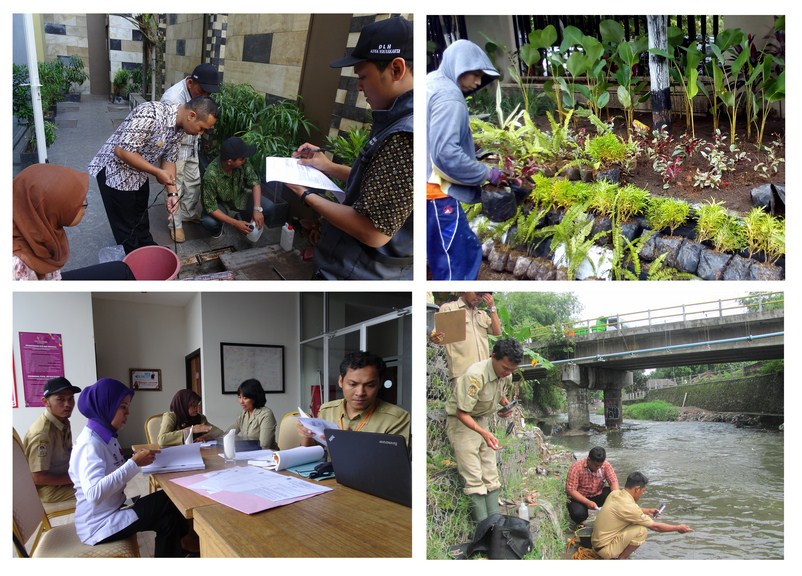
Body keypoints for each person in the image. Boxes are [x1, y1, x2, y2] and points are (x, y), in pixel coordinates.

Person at [287, 16, 414, 280]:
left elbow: (374, 231)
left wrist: (305, 195)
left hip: (360, 272)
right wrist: (328, 166)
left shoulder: (406, 136)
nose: (358, 86)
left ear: (397, 69)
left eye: (363, 76)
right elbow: (380, 182)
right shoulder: (395, 118)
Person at [68, 378, 190, 557]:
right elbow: (94, 494)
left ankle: (183, 549)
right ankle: (188, 543)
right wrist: (133, 464)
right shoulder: (90, 445)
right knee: (167, 500)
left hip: (112, 510)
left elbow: (113, 468)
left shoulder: (106, 437)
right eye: (122, 407)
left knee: (168, 519)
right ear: (106, 406)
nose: (128, 413)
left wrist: (135, 460)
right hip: (98, 525)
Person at [88, 96, 219, 254]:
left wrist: (173, 193)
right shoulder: (151, 113)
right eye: (202, 128)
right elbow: (122, 151)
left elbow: (169, 160)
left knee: (141, 218)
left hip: (139, 171)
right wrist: (157, 172)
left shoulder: (181, 128)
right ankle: (135, 261)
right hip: (115, 173)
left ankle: (148, 250)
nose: (200, 134)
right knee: (126, 227)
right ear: (191, 115)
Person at [427, 39, 502, 280]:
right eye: (476, 74)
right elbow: (446, 154)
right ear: (459, 66)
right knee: (457, 258)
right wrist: (486, 173)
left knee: (449, 250)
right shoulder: (450, 97)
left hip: (423, 190)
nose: (479, 82)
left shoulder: (431, 83)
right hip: (437, 193)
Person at [445, 338, 522, 522]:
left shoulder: (506, 374)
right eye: (505, 368)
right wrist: (483, 433)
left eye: (512, 370)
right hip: (462, 422)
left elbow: (500, 390)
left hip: (482, 420)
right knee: (473, 475)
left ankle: (495, 522)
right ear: (493, 356)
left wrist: (505, 404)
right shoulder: (475, 376)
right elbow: (461, 412)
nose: (508, 373)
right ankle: (482, 526)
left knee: (490, 471)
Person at [13, 164, 135, 280]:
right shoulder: (16, 267)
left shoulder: (37, 226)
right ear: (49, 208)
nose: (84, 206)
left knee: (120, 269)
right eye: (76, 203)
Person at [160, 63, 220, 242]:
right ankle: (175, 225)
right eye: (202, 91)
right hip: (174, 148)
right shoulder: (172, 98)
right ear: (190, 83)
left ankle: (187, 213)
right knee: (174, 186)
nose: (206, 97)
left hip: (192, 144)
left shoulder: (199, 94)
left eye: (209, 94)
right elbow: (167, 137)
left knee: (194, 182)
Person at [298, 351, 411, 446]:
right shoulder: (327, 410)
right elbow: (314, 453)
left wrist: (351, 446)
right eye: (352, 384)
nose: (360, 392)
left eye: (370, 385)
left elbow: (394, 465)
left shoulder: (397, 419)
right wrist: (307, 436)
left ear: (380, 383)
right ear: (341, 381)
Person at [592, 472, 693, 559]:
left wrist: (646, 510)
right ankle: (621, 559)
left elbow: (623, 510)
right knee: (642, 530)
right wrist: (677, 528)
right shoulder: (630, 507)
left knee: (633, 523)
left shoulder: (615, 493)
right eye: (643, 491)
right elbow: (655, 527)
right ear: (637, 489)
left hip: (596, 543)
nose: (642, 494)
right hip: (605, 550)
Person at [200, 136, 274, 239]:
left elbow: (255, 182)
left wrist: (257, 209)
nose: (244, 160)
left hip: (240, 196)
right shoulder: (210, 176)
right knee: (209, 222)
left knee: (268, 207)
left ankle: (244, 219)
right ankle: (219, 230)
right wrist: (234, 223)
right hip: (221, 203)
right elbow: (211, 208)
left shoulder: (242, 162)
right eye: (242, 159)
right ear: (230, 162)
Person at [23, 377, 81, 503]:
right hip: (48, 490)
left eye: (71, 398)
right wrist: (76, 478)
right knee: (98, 490)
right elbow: (38, 478)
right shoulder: (42, 434)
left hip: (62, 477)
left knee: (103, 482)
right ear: (45, 402)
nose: (68, 404)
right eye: (60, 399)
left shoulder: (63, 421)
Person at [430, 292, 501, 386]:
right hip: (463, 374)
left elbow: (497, 332)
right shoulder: (449, 308)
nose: (479, 298)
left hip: (484, 374)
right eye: (477, 293)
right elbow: (437, 335)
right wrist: (434, 338)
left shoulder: (482, 314)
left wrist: (492, 308)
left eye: (482, 296)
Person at [565, 446, 620, 525]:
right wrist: (587, 502)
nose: (598, 468)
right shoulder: (576, 468)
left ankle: (610, 518)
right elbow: (571, 490)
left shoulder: (606, 465)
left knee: (616, 495)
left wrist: (617, 498)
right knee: (578, 514)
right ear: (589, 460)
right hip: (580, 497)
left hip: (597, 494)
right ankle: (580, 523)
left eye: (600, 466)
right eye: (596, 465)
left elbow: (613, 482)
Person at [158, 389, 224, 447]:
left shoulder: (200, 418)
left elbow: (220, 432)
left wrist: (208, 436)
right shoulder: (171, 416)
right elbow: (162, 440)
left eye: (197, 405)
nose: (197, 409)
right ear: (183, 405)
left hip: (197, 453)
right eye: (193, 406)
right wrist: (191, 430)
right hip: (175, 455)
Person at [232, 379, 278, 450]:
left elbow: (264, 445)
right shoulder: (244, 413)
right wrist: (210, 429)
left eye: (245, 398)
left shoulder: (266, 414)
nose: (241, 401)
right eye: (239, 397)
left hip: (267, 457)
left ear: (255, 398)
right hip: (248, 454)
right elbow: (228, 433)